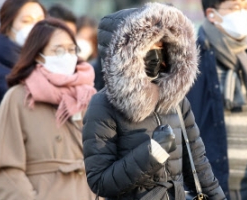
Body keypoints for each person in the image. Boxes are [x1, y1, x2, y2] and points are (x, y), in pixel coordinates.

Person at [82, 3, 226, 200]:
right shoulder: (103, 105)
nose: (156, 53)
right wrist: (152, 153)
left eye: (160, 46)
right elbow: (100, 181)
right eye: (148, 46)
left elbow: (199, 164)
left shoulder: (175, 99)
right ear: (125, 53)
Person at [0, 18, 97, 200]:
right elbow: (5, 170)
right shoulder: (18, 98)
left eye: (71, 50)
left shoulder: (88, 96)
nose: (67, 56)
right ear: (38, 55)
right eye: (58, 50)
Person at [187, 0, 247, 199]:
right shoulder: (192, 61)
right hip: (209, 189)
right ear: (212, 14)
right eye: (235, 7)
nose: (244, 13)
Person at [0, 1, 45, 200]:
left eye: (40, 21)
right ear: (8, 25)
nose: (34, 27)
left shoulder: (45, 67)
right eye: (27, 20)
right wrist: (29, 159)